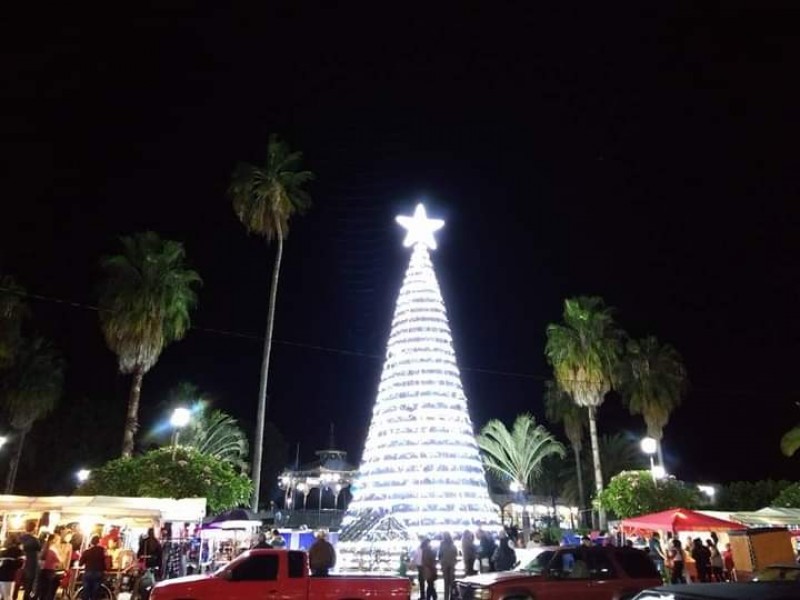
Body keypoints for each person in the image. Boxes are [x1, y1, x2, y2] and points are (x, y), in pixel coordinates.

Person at [79, 535, 106, 600]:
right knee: (96, 591)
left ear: (91, 542)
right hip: (98, 572)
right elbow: (106, 561)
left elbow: (80, 563)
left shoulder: (87, 551)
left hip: (88, 572)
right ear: (99, 542)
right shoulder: (102, 550)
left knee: (86, 590)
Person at [19, 522, 41, 600]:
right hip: (31, 565)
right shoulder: (35, 540)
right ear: (34, 528)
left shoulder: (20, 538)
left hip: (20, 565)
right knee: (29, 587)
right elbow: (39, 549)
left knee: (17, 586)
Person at [38, 534, 61, 600]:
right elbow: (59, 560)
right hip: (50, 572)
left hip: (42, 572)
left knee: (42, 591)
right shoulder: (53, 551)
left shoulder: (43, 550)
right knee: (49, 591)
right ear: (53, 541)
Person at [0, 535, 22, 600]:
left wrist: (6, 562)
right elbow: (19, 564)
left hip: (7, 577)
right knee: (7, 596)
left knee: (7, 596)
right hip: (8, 577)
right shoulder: (18, 551)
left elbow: (19, 564)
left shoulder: (16, 551)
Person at [438, 533, 457, 600]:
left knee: (446, 583)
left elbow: (440, 554)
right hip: (452, 565)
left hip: (445, 565)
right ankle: (452, 597)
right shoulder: (452, 544)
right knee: (452, 582)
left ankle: (446, 598)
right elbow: (455, 553)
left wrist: (441, 561)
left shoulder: (442, 544)